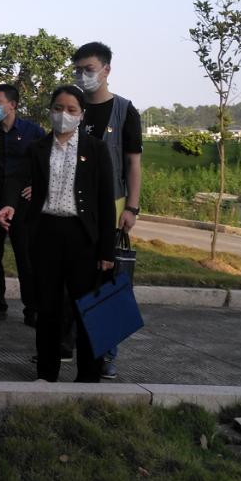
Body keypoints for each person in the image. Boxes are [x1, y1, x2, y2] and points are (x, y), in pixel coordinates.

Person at [0, 85, 116, 383]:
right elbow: (16, 178)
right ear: (51, 110)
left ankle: (88, 377)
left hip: (82, 237)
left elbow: (105, 201)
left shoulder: (96, 149)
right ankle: (46, 374)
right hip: (46, 234)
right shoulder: (38, 147)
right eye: (58, 108)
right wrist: (9, 204)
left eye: (71, 110)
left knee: (86, 307)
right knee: (47, 308)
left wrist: (106, 251)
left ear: (81, 114)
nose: (64, 115)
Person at [72, 42, 142, 379]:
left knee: (107, 281)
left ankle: (108, 353)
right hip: (74, 208)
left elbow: (133, 164)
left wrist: (132, 207)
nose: (82, 76)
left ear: (106, 70)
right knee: (75, 279)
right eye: (78, 70)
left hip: (112, 208)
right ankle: (71, 345)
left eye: (88, 69)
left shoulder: (125, 111)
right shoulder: (72, 106)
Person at [0, 84, 45, 326]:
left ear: (13, 105)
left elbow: (46, 162)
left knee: (25, 256)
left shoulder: (33, 132)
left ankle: (32, 308)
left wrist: (38, 185)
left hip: (23, 203)